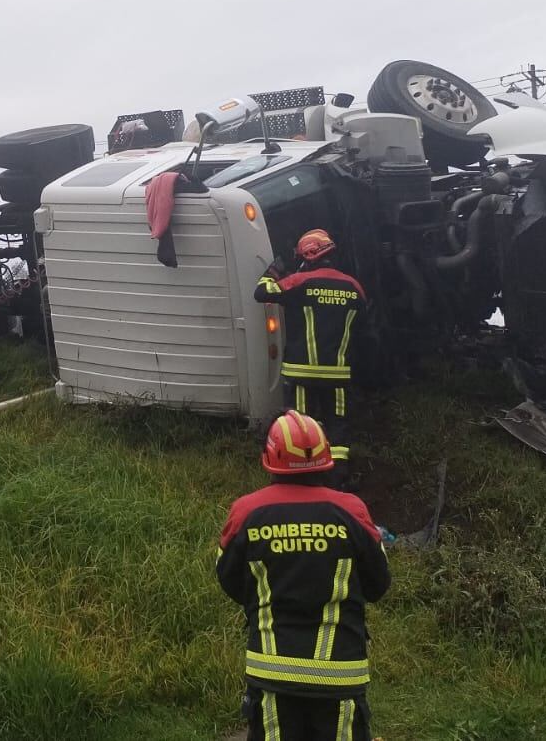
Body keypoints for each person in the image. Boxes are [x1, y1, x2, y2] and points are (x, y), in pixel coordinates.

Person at [218, 411, 391, 740]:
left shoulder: (246, 513)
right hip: (340, 674)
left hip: (272, 673)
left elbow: (229, 580)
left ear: (269, 459)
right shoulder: (352, 512)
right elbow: (378, 584)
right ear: (326, 458)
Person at [254, 230, 366, 463]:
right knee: (338, 431)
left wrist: (274, 269)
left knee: (302, 428)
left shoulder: (299, 282)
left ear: (308, 256)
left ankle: (304, 477)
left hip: (301, 373)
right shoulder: (354, 287)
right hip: (338, 374)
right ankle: (338, 479)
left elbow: (262, 291)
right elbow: (362, 328)